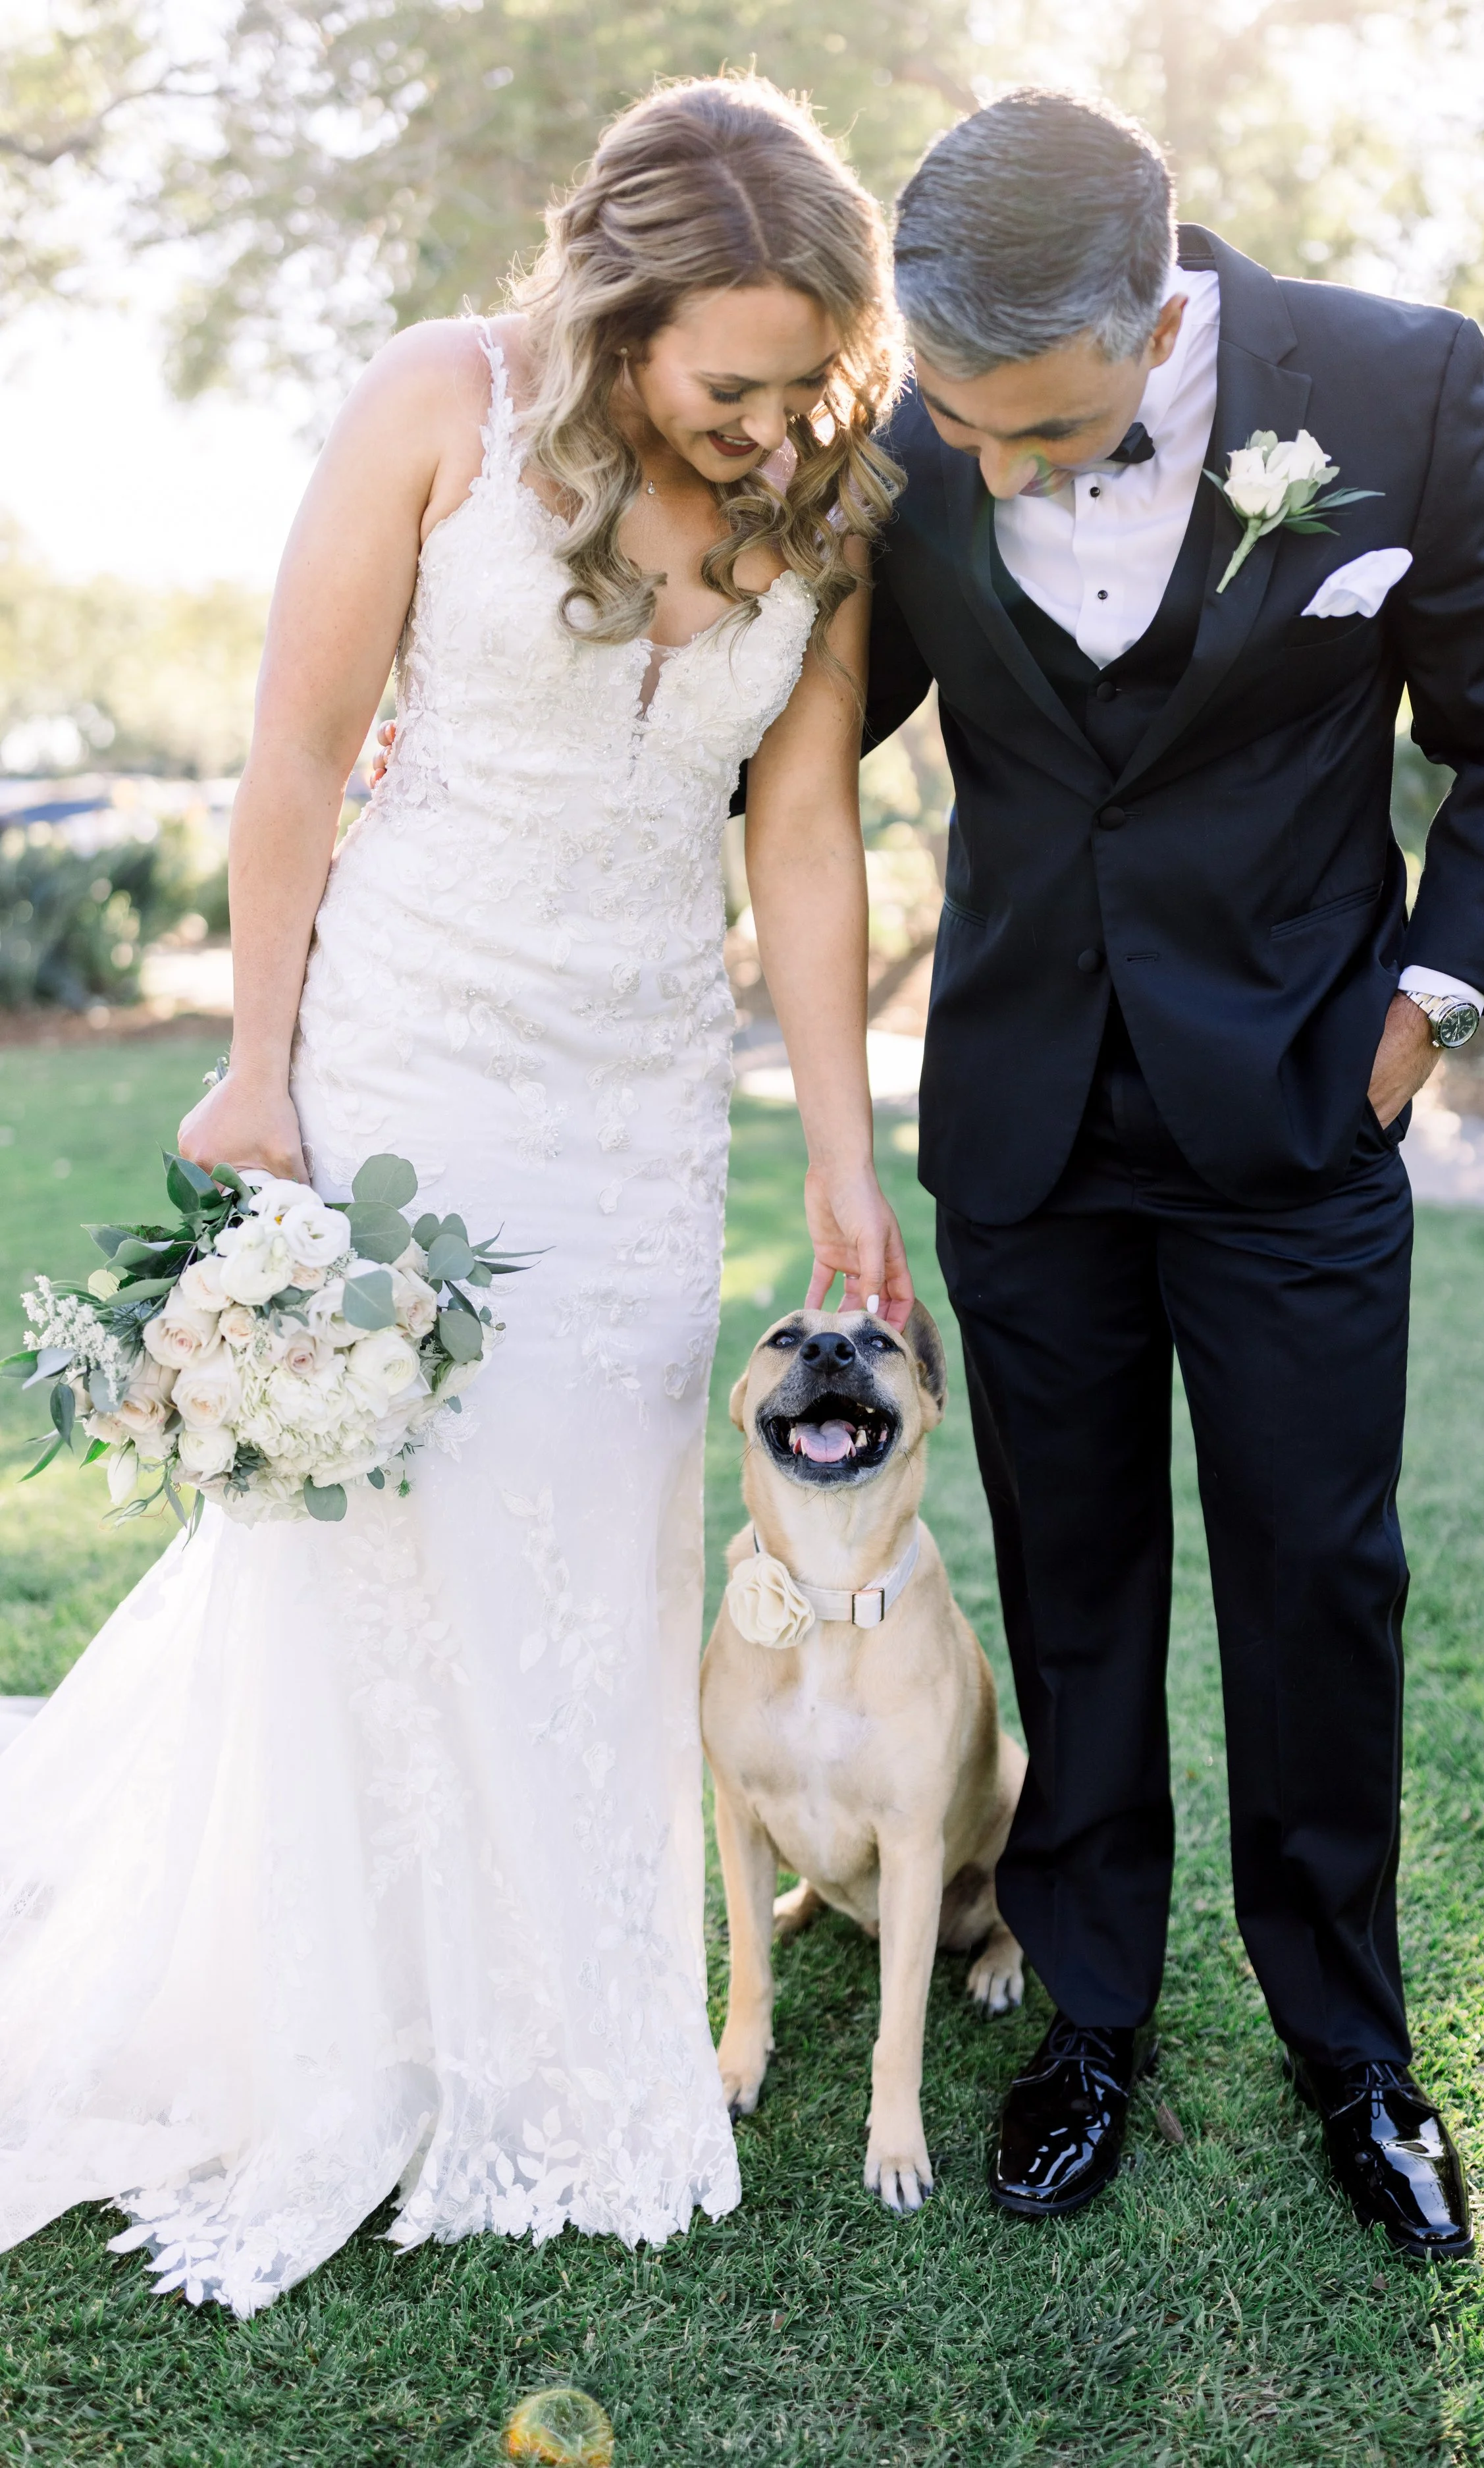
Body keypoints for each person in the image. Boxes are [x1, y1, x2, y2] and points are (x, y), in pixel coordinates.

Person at [0, 75, 911, 2316]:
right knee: (383, 1548)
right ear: (614, 316)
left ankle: (561, 2016)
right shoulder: (437, 403)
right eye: (730, 383)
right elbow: (297, 750)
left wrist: (837, 1137)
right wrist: (255, 1070)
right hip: (411, 1050)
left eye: (811, 383)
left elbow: (800, 839)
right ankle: (353, 2014)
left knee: (597, 1543)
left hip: (628, 1103)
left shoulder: (822, 508)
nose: (773, 426)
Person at [868, 88, 1484, 2255]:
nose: (986, 464)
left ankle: (1346, 2045)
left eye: (1036, 424)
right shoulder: (908, 433)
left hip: (1296, 1104)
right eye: (954, 419)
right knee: (1073, 1583)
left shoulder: (1394, 383)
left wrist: (1419, 1015)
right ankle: (1091, 2015)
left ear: (1154, 300)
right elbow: (797, 723)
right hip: (1024, 1112)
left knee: (1315, 1579)